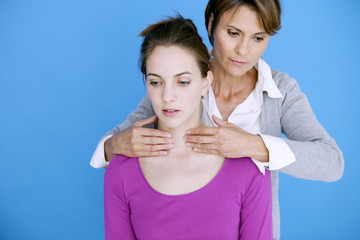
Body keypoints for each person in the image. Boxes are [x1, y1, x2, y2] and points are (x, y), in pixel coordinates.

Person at [94, 0, 344, 239]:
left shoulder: (282, 91)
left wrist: (253, 145)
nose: (243, 50)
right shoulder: (180, 74)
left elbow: (332, 162)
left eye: (258, 38)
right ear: (212, 23)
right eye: (233, 33)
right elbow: (117, 142)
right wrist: (113, 145)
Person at [104, 16, 273, 239]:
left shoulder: (249, 170)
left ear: (205, 83)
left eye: (182, 82)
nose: (167, 96)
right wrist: (111, 145)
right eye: (156, 82)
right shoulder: (121, 170)